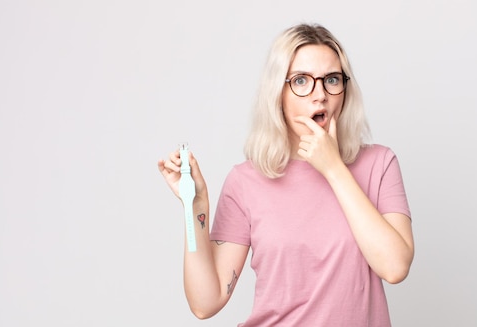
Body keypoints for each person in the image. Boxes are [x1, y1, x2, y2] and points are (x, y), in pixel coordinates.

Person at [158, 23, 414, 326]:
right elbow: (205, 303)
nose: (320, 95)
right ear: (278, 92)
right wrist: (195, 207)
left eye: (332, 79)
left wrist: (333, 168)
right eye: (302, 81)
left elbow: (395, 267)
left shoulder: (379, 164)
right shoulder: (246, 182)